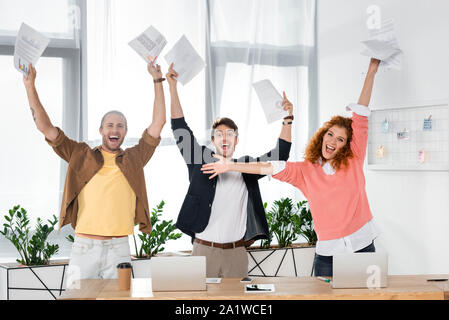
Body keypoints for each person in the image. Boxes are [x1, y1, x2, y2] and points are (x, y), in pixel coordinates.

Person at [201, 58, 381, 277]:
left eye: (341, 139)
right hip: (328, 255)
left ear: (347, 145)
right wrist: (230, 166)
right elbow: (269, 167)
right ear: (322, 136)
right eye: (330, 134)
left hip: (362, 247)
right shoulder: (305, 171)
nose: (333, 141)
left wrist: (372, 70)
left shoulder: (354, 158)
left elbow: (360, 116)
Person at [22, 62, 166, 283]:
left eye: (120, 125)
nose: (115, 129)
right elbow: (46, 128)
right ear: (101, 130)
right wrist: (30, 85)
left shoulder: (134, 158)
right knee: (77, 299)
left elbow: (159, 123)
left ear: (126, 131)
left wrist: (157, 80)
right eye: (109, 125)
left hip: (119, 248)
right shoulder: (80, 154)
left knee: (119, 301)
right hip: (84, 247)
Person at [166, 63, 293, 278]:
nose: (224, 138)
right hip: (204, 250)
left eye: (230, 134)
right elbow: (180, 128)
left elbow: (280, 156)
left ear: (236, 139)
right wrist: (172, 87)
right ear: (213, 140)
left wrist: (288, 119)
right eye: (219, 134)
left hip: (236, 252)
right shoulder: (200, 160)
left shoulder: (246, 167)